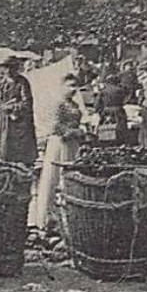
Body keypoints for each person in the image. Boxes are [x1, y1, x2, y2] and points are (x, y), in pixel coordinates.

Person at [32, 73, 85, 229]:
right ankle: (49, 217)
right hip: (60, 143)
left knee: (70, 178)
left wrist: (80, 131)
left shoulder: (74, 105)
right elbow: (54, 126)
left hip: (73, 144)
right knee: (54, 178)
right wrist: (73, 132)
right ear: (62, 87)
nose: (73, 89)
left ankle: (68, 218)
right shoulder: (58, 104)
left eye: (76, 86)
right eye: (70, 86)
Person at [0, 57, 36, 165]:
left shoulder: (22, 82)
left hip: (19, 122)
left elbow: (27, 103)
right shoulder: (3, 83)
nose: (8, 71)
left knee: (20, 152)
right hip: (5, 121)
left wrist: (13, 107)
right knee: (5, 147)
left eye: (11, 68)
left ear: (16, 69)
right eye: (6, 68)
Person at [97, 69, 128, 146]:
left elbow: (97, 103)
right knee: (121, 128)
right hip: (118, 110)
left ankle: (107, 142)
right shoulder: (121, 90)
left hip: (106, 111)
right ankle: (120, 143)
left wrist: (99, 110)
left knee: (106, 127)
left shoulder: (103, 91)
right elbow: (126, 98)